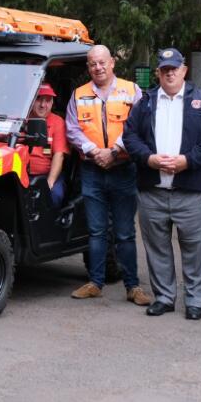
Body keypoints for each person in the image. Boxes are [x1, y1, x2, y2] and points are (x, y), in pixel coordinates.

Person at [123, 49, 201, 320]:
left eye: (174, 68)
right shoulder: (144, 103)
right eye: (164, 69)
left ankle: (194, 300)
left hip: (190, 191)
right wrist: (149, 158)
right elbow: (129, 137)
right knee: (157, 249)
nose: (169, 73)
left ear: (184, 70)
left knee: (194, 248)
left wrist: (187, 161)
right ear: (158, 72)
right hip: (152, 191)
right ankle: (165, 297)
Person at [65, 44, 150, 306]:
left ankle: (132, 286)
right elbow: (72, 129)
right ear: (88, 67)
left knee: (125, 233)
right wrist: (94, 152)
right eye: (92, 64)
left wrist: (114, 151)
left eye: (102, 62)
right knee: (96, 231)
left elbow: (139, 125)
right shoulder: (78, 95)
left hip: (123, 169)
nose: (98, 67)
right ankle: (95, 282)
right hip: (92, 170)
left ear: (112, 62)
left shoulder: (131, 91)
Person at [26, 84, 68, 207]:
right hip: (20, 173)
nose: (43, 105)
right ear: (32, 100)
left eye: (48, 100)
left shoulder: (58, 122)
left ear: (52, 103)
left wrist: (49, 183)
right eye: (39, 99)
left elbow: (59, 155)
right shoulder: (21, 119)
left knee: (54, 195)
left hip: (46, 174)